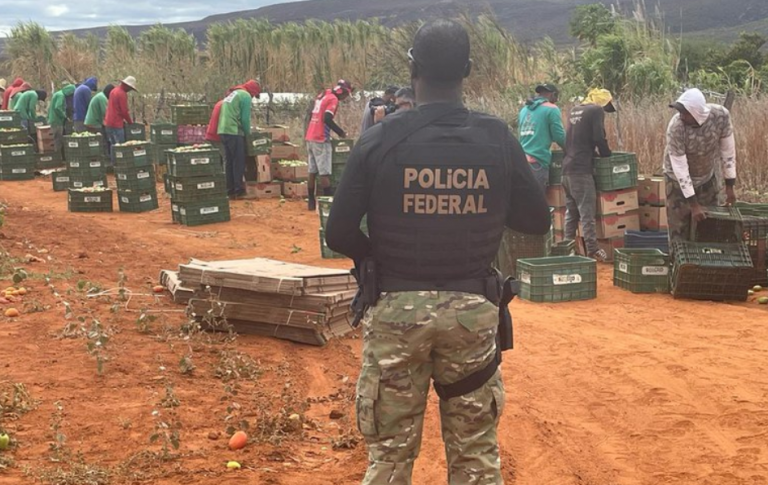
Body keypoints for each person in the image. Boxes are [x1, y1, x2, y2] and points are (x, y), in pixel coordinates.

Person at [325, 19, 550, 485]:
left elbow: (339, 231)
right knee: (475, 458)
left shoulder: (379, 138)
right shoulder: (496, 138)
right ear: (467, 69)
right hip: (472, 312)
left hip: (394, 311)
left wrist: (379, 259)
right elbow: (536, 222)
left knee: (388, 461)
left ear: (412, 69)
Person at [663, 88, 737, 244]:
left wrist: (729, 186)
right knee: (679, 229)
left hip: (707, 177)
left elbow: (728, 151)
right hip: (677, 181)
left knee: (708, 226)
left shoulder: (720, 116)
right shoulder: (676, 128)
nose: (681, 116)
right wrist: (693, 205)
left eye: (685, 113)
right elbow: (680, 169)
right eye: (680, 112)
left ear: (697, 112)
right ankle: (678, 264)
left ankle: (705, 266)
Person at [562, 88, 615, 261]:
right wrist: (607, 154)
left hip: (567, 169)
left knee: (571, 212)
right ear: (603, 101)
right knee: (587, 212)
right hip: (581, 169)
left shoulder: (575, 109)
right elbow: (598, 136)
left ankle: (567, 247)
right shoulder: (596, 110)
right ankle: (592, 249)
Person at [305, 79, 352, 210]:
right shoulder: (333, 99)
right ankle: (328, 204)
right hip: (320, 138)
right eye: (346, 94)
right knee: (324, 172)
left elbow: (313, 115)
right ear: (342, 92)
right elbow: (327, 118)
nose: (345, 98)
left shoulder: (323, 95)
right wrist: (341, 133)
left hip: (310, 135)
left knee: (312, 171)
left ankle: (311, 201)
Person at [217, 80, 262, 199]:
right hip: (234, 131)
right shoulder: (245, 96)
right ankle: (239, 191)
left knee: (229, 161)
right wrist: (248, 135)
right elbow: (245, 118)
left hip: (223, 130)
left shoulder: (234, 93)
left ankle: (230, 190)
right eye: (254, 95)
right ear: (253, 91)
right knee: (239, 161)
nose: (253, 98)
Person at [518, 83, 566, 191]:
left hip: (521, 161)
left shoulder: (524, 110)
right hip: (537, 162)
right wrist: (570, 150)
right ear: (553, 95)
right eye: (556, 98)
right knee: (537, 202)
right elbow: (559, 136)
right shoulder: (551, 109)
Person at [104, 76, 138, 164]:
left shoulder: (113, 91)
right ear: (127, 86)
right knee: (120, 146)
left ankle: (114, 163)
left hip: (108, 122)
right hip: (116, 123)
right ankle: (121, 163)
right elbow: (124, 111)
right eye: (130, 88)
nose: (130, 90)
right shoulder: (122, 94)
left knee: (113, 145)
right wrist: (130, 122)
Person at [205, 87, 236, 164]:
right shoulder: (227, 106)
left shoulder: (220, 103)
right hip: (217, 136)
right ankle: (227, 175)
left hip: (212, 134)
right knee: (227, 157)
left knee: (221, 158)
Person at [85, 84, 115, 156]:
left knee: (96, 142)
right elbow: (105, 112)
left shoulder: (100, 95)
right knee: (102, 141)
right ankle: (104, 158)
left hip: (90, 121)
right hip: (94, 123)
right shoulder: (102, 98)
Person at [48, 82, 76, 155]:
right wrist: (65, 116)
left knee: (55, 139)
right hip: (57, 121)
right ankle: (58, 156)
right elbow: (58, 107)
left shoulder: (58, 93)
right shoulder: (61, 95)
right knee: (58, 139)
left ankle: (57, 155)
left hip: (53, 119)